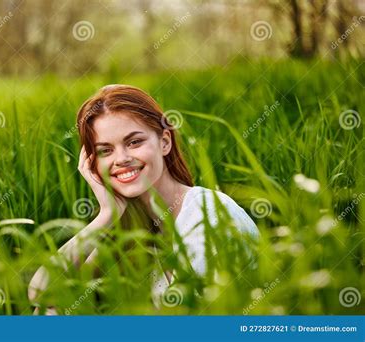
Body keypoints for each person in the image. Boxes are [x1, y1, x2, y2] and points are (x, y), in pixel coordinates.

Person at [28, 84, 259, 313]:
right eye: (105, 151)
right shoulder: (131, 226)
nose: (122, 159)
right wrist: (107, 215)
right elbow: (41, 296)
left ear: (165, 142)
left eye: (134, 142)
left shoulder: (209, 216)